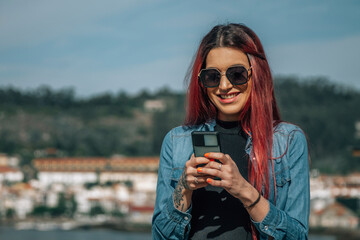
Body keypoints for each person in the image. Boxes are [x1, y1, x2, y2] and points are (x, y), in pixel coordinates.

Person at [152, 23, 310, 240]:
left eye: (237, 74)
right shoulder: (176, 141)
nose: (224, 86)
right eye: (212, 77)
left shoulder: (288, 141)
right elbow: (160, 236)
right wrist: (184, 188)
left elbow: (297, 236)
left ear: (256, 74)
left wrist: (243, 190)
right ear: (202, 82)